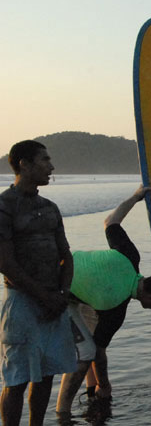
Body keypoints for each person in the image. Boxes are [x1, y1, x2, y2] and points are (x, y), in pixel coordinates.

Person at [55, 185, 151, 416]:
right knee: (87, 354)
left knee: (91, 336)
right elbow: (99, 356)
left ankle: (91, 390)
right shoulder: (116, 310)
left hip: (67, 273)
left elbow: (111, 220)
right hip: (57, 292)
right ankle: (63, 412)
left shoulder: (130, 256)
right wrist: (107, 386)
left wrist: (135, 197)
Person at [0, 140, 77, 426]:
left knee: (46, 374)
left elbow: (65, 255)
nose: (51, 166)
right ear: (24, 164)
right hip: (21, 302)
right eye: (45, 160)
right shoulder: (5, 205)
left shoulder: (51, 207)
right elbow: (6, 263)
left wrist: (62, 293)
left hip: (54, 302)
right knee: (17, 376)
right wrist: (44, 296)